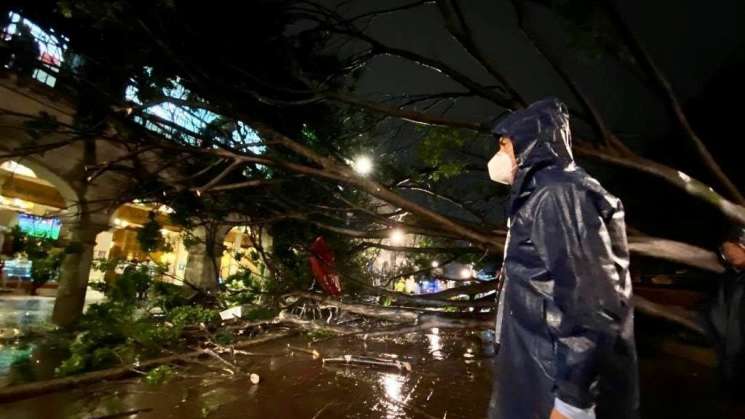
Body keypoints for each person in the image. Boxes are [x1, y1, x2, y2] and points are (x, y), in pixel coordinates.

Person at [486, 98, 639, 419]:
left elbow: (591, 303)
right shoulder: (541, 194)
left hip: (552, 383)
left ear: (530, 142)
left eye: (504, 145)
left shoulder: (558, 193)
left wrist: (572, 402)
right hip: (536, 372)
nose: (499, 156)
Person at [708, 228, 745, 387]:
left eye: (733, 249)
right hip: (730, 349)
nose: (730, 254)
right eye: (726, 251)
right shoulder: (727, 278)